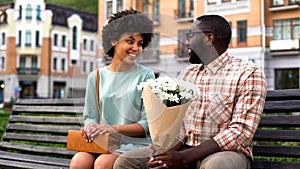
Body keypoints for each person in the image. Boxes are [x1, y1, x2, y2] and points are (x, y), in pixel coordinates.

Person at [113, 15, 267, 169]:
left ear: (208, 38)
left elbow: (240, 133)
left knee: (217, 166)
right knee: (126, 161)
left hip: (225, 152)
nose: (186, 42)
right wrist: (163, 154)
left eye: (190, 35)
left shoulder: (248, 73)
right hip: (184, 149)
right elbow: (179, 126)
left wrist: (183, 157)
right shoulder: (188, 74)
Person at [70, 8, 155, 169]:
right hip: (104, 142)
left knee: (103, 164)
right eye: (130, 41)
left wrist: (111, 128)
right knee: (79, 161)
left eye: (140, 43)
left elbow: (147, 125)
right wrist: (91, 128)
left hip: (135, 144)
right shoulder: (96, 76)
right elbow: (90, 116)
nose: (136, 48)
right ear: (113, 41)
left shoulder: (146, 76)